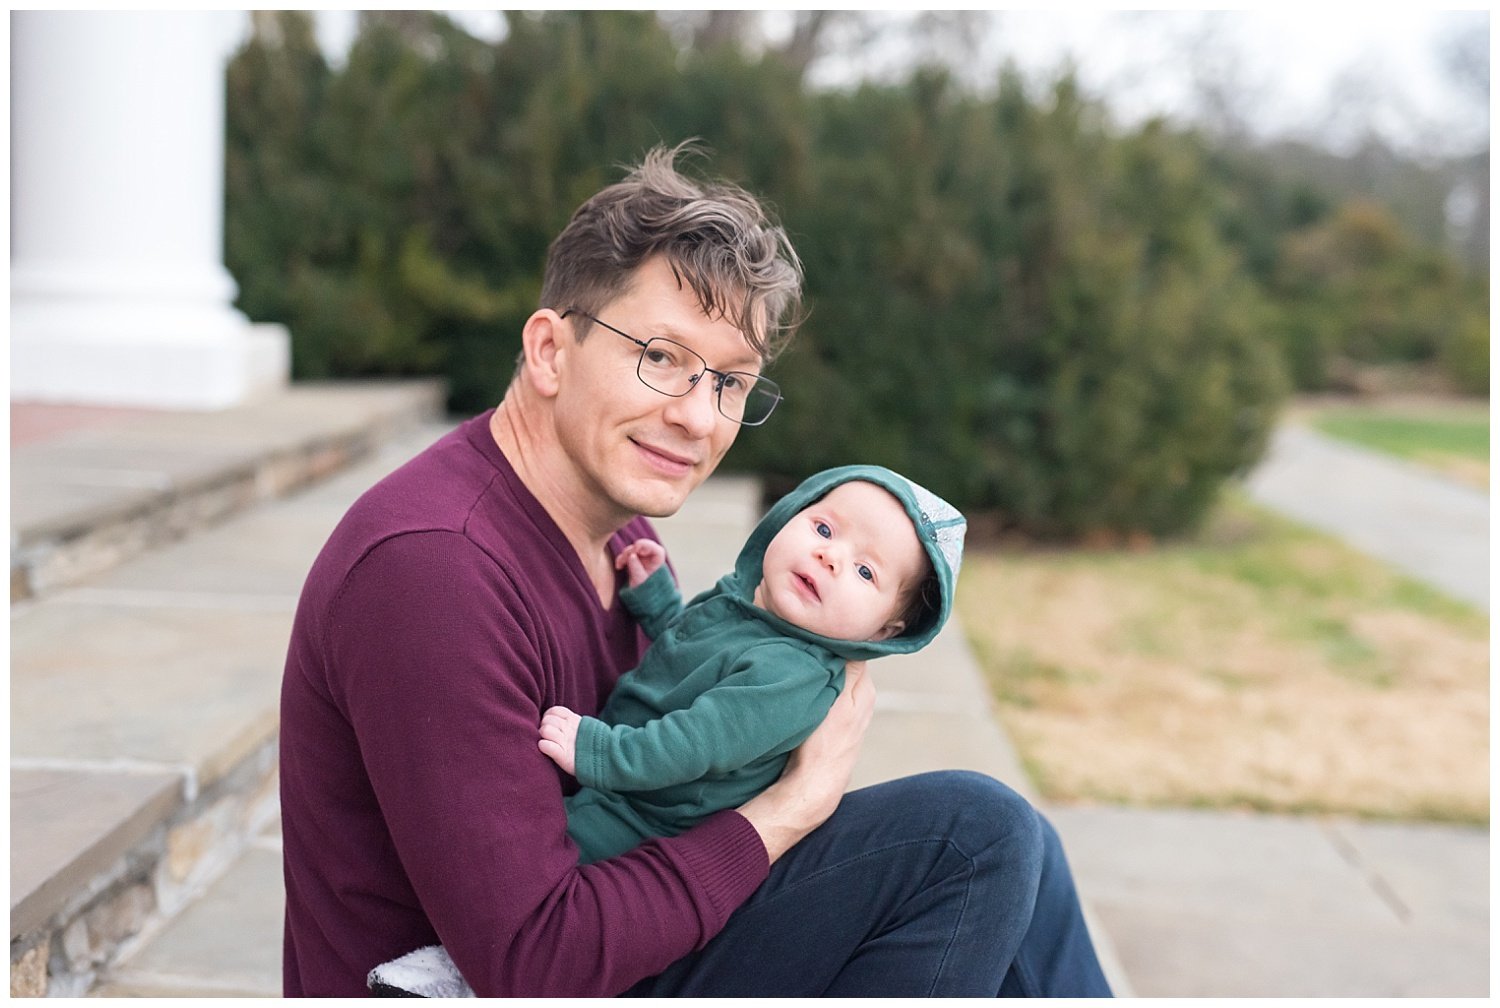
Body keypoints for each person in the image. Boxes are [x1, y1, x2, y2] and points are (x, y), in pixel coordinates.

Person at [279, 142, 1113, 997]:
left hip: (612, 930)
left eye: (732, 381)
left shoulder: (618, 533)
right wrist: (789, 810)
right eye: (663, 358)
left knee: (1021, 854)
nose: (698, 417)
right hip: (496, 978)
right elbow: (536, 961)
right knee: (975, 838)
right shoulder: (433, 574)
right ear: (549, 351)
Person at [368, 465, 967, 995]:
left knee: (550, 862)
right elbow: (692, 652)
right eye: (824, 529)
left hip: (656, 816)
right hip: (638, 787)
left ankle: (452, 977)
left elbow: (696, 743)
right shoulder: (748, 611)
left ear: (885, 631)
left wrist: (600, 752)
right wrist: (658, 603)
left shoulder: (793, 675)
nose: (831, 558)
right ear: (787, 516)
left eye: (864, 571)